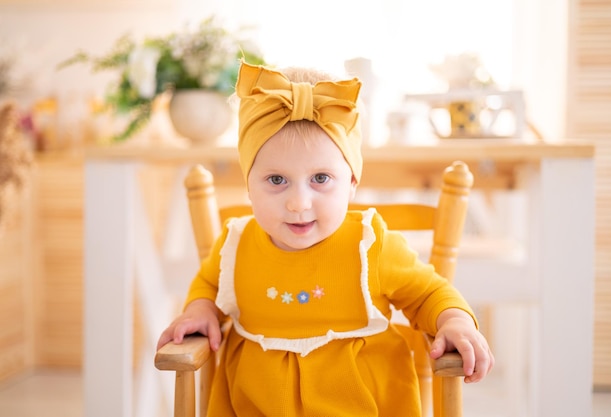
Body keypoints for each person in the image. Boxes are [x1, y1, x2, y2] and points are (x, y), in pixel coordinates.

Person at [157, 61, 494, 416]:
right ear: (249, 185)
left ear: (351, 183)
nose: (299, 203)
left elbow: (427, 293)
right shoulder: (236, 244)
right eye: (276, 180)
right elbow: (209, 284)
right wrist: (200, 309)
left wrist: (454, 320)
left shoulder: (370, 245)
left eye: (320, 178)